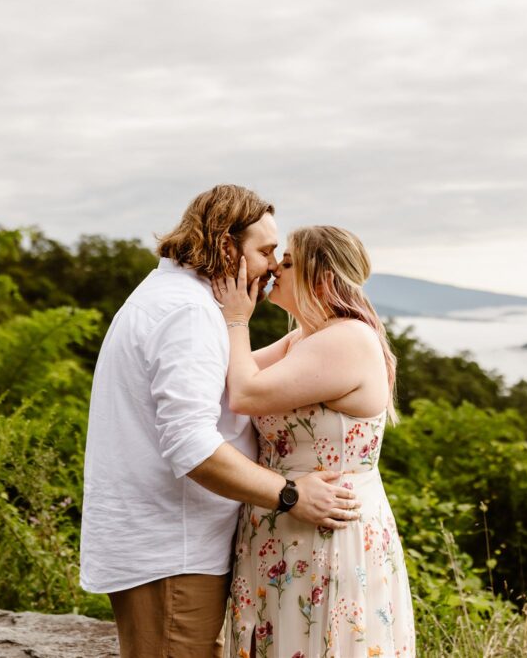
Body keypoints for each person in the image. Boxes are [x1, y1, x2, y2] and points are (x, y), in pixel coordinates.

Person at [80, 186, 361, 658]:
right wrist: (290, 494)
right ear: (226, 246)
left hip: (172, 544)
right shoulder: (188, 313)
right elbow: (191, 446)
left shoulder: (173, 297)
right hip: (174, 552)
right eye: (266, 251)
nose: (274, 265)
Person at [213, 225, 416, 658]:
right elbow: (228, 376)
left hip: (326, 532)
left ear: (320, 278)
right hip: (284, 521)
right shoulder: (305, 338)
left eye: (288, 262)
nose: (274, 270)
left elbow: (245, 393)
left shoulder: (347, 339)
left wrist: (235, 320)